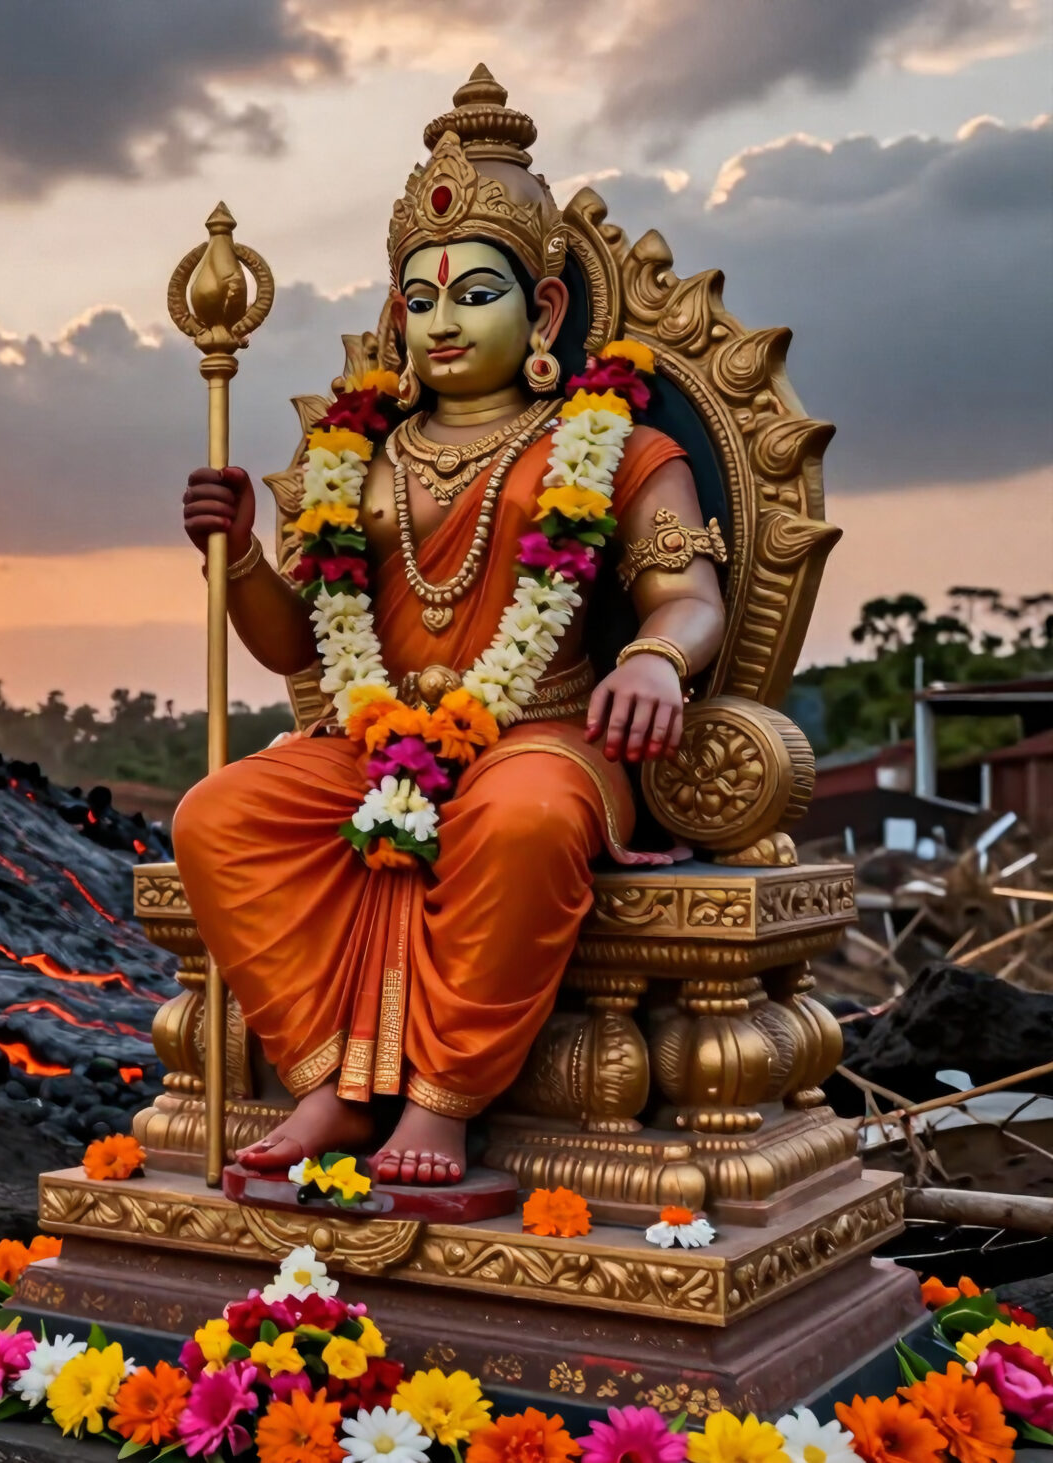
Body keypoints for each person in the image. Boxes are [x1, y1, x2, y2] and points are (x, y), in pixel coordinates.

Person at [172, 68, 727, 1186]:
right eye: (417, 300)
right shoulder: (355, 460)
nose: (439, 321)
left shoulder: (610, 444)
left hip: (544, 731)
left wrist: (659, 659)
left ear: (546, 313)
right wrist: (231, 555)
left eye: (473, 294)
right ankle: (329, 1077)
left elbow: (690, 594)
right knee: (216, 813)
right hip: (371, 741)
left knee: (517, 816)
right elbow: (293, 646)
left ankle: (440, 1098)